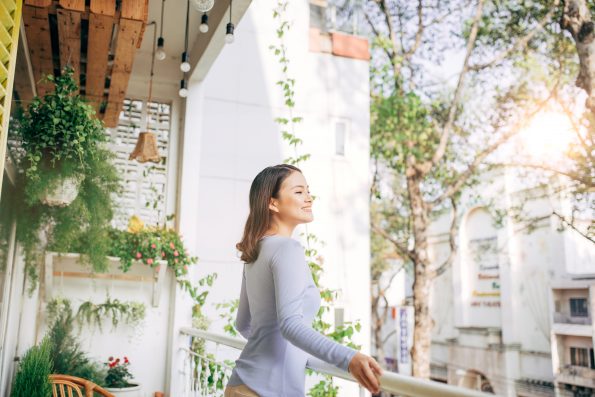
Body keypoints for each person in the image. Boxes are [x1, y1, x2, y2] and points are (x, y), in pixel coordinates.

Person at [224, 164, 383, 397]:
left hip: (241, 385)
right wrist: (349, 358)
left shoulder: (256, 251)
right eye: (299, 192)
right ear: (273, 203)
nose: (309, 198)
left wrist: (289, 350)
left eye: (308, 191)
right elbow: (290, 325)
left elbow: (244, 324)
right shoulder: (287, 248)